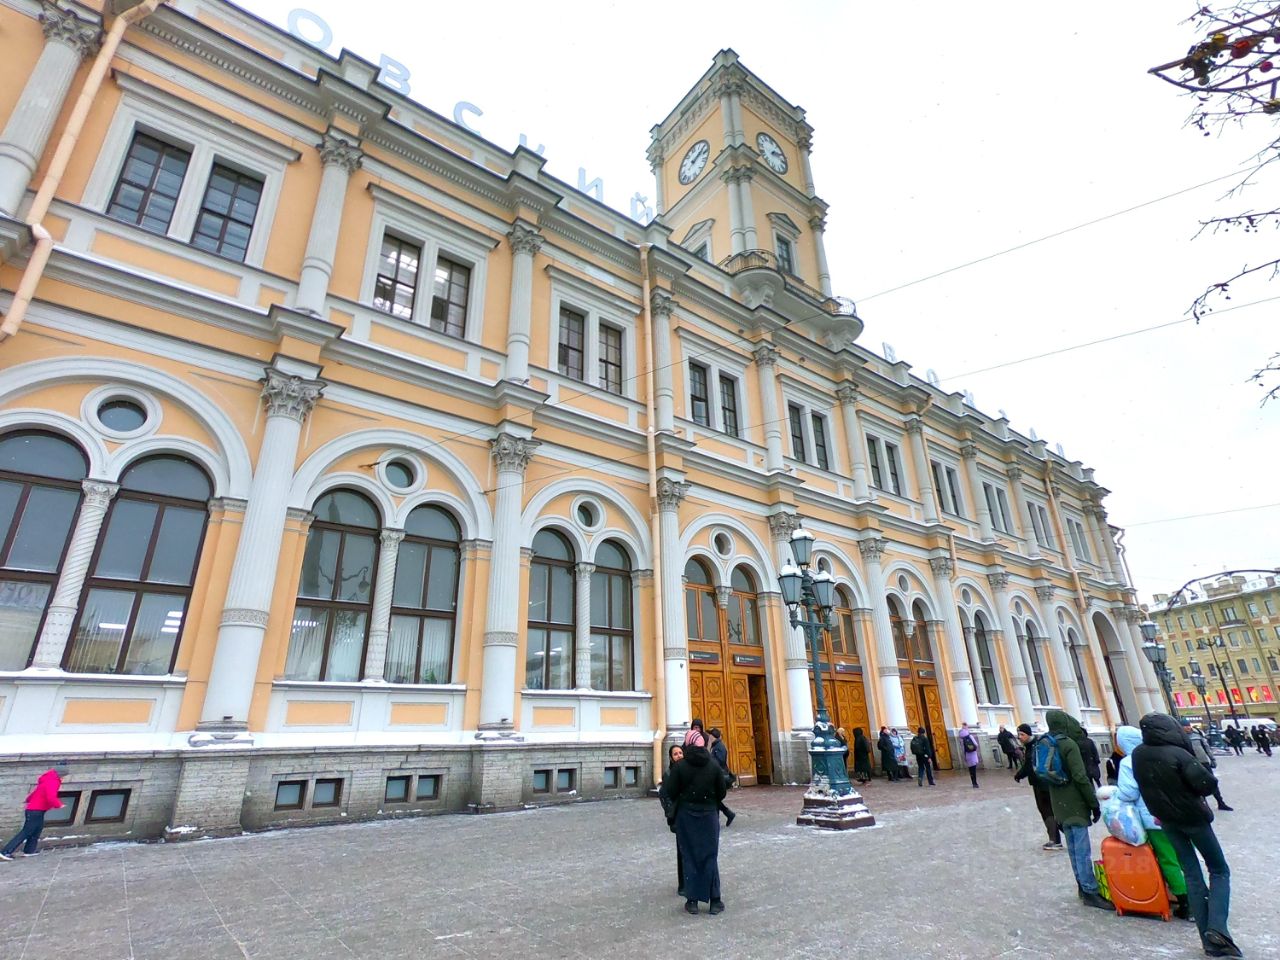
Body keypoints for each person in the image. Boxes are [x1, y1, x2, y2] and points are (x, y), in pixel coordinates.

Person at [1133, 713, 1240, 958]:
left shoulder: (1139, 754)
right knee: (1219, 870)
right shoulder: (1178, 754)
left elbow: (1145, 786)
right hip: (1193, 818)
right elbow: (1206, 784)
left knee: (1191, 874)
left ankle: (1208, 941)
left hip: (1167, 820)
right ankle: (1217, 928)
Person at [1113, 725, 1190, 919]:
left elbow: (1129, 793)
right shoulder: (1163, 754)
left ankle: (1186, 902)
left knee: (1168, 859)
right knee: (1185, 856)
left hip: (1153, 816)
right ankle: (1201, 894)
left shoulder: (1129, 762)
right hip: (1180, 813)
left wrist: (1115, 795)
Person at [1042, 710, 1109, 909]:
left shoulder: (1046, 743)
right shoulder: (1068, 744)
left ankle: (1082, 885)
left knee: (1073, 849)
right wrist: (1093, 803)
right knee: (1082, 850)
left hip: (1059, 805)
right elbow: (1080, 777)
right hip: (1075, 804)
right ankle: (1090, 890)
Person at [662, 735, 728, 916]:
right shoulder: (713, 765)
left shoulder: (680, 766)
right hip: (709, 815)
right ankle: (715, 901)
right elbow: (722, 792)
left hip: (687, 816)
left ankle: (692, 901)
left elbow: (671, 791)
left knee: (690, 856)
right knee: (710, 856)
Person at [0, 761, 69, 861]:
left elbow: (37, 792)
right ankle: (6, 852)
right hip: (35, 810)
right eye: (64, 776)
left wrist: (28, 800)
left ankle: (29, 850)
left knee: (37, 829)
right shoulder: (53, 782)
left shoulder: (47, 779)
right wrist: (59, 805)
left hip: (37, 810)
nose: (64, 778)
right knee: (26, 831)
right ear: (61, 774)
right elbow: (50, 797)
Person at [1014, 723, 1062, 851]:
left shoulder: (1034, 747)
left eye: (1022, 734)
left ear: (1028, 734)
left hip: (1041, 784)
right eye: (1018, 734)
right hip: (1041, 782)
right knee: (1048, 810)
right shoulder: (1034, 745)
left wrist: (1019, 775)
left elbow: (1029, 766)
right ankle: (1057, 837)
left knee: (1046, 810)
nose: (1019, 737)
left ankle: (1055, 840)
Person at [1181, 718, 1233, 812]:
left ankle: (1220, 802)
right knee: (1197, 785)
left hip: (1204, 762)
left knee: (1212, 782)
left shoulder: (1197, 735)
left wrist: (1212, 759)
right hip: (1192, 764)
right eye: (1185, 726)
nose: (1188, 727)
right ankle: (1204, 806)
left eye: (1188, 725)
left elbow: (1206, 747)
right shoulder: (1181, 738)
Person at [658, 744, 686, 897]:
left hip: (689, 815)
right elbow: (664, 795)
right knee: (682, 851)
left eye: (680, 753)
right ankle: (683, 884)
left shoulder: (687, 770)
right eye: (675, 754)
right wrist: (671, 815)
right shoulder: (669, 774)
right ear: (670, 757)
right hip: (678, 817)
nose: (679, 756)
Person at [707, 727, 736, 827]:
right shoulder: (715, 746)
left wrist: (709, 759)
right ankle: (728, 814)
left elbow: (720, 761)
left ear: (713, 737)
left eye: (710, 735)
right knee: (714, 798)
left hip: (719, 776)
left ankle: (718, 819)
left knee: (714, 798)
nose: (709, 737)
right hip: (716, 775)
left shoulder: (719, 747)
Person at [958, 722, 980, 788]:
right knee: (974, 770)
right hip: (972, 754)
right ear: (966, 727)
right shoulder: (969, 736)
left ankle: (973, 782)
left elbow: (962, 747)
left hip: (967, 754)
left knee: (970, 770)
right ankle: (975, 783)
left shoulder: (961, 738)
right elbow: (976, 744)